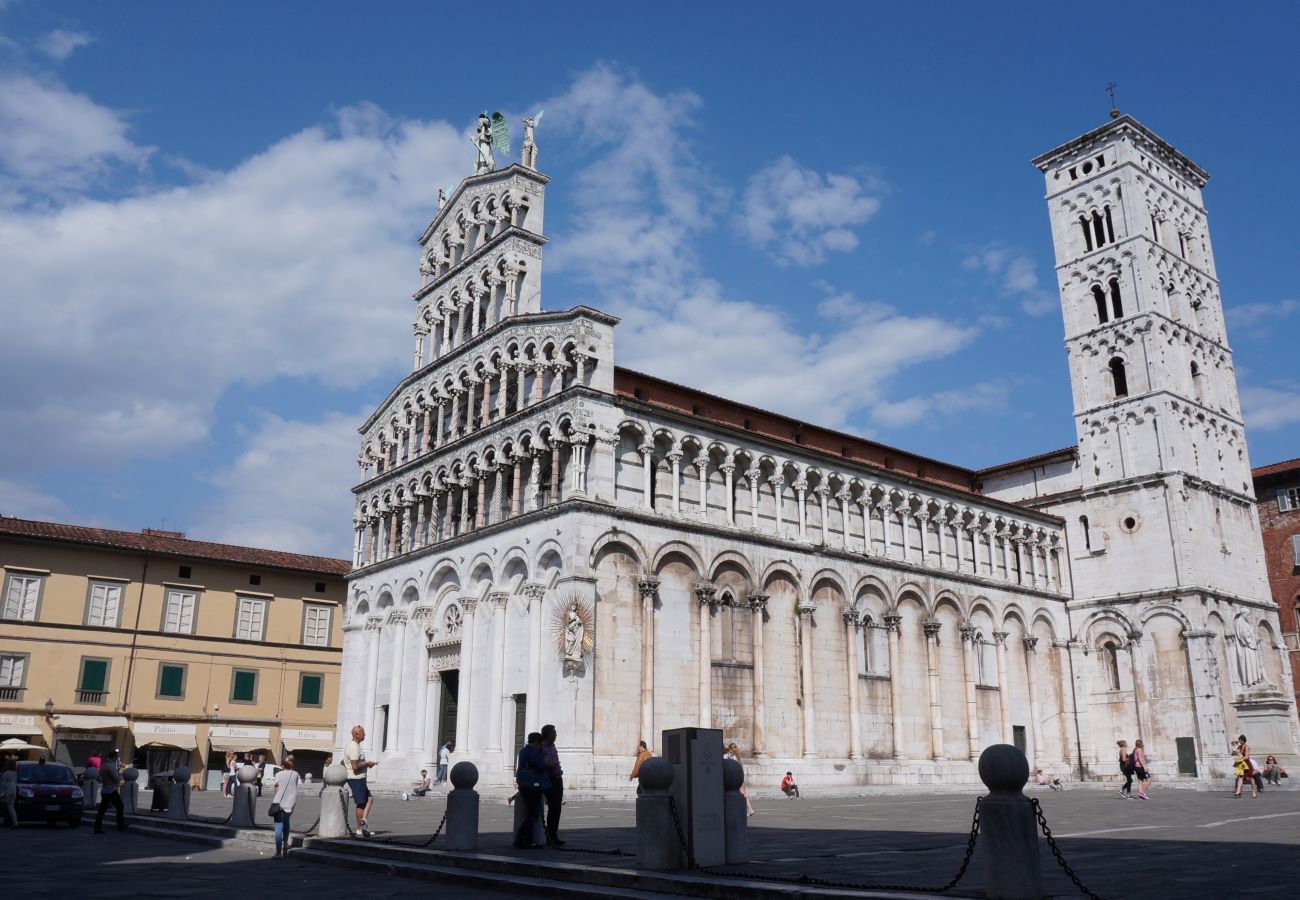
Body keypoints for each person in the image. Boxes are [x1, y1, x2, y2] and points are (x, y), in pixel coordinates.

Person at [514, 732, 548, 849]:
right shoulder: (532, 752)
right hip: (532, 785)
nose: (541, 747)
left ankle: (528, 840)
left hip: (524, 783)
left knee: (531, 812)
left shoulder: (523, 751)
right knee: (533, 813)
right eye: (540, 744)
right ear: (536, 742)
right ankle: (520, 838)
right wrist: (545, 760)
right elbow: (541, 765)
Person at [345, 724, 377, 836]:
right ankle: (359, 828)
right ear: (357, 734)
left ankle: (363, 819)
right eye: (363, 733)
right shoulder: (353, 746)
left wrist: (367, 765)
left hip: (360, 779)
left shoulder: (355, 746)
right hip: (356, 779)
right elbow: (355, 766)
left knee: (369, 799)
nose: (365, 734)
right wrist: (367, 764)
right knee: (361, 803)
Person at [270, 754, 300, 859]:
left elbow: (276, 789)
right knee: (286, 822)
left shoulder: (279, 775)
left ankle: (278, 853)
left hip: (279, 803)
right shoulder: (296, 774)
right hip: (291, 802)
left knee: (278, 827)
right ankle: (285, 844)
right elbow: (295, 786)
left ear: (283, 765)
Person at [540, 724, 564, 847]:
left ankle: (553, 834)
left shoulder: (552, 746)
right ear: (548, 734)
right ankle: (551, 835)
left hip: (557, 778)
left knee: (557, 808)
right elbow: (546, 764)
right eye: (554, 733)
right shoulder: (542, 748)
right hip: (550, 779)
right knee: (553, 807)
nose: (556, 735)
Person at [93, 749, 127, 833]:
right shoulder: (111, 767)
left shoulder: (104, 765)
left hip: (105, 789)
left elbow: (100, 777)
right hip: (112, 790)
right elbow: (116, 779)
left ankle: (97, 827)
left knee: (102, 810)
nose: (118, 758)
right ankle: (120, 825)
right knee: (120, 807)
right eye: (118, 756)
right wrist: (121, 775)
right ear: (114, 757)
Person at [725, 742, 754, 816]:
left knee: (740, 794)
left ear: (730, 749)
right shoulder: (738, 756)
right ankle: (749, 809)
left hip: (735, 778)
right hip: (741, 777)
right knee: (744, 794)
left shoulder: (731, 757)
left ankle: (749, 809)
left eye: (729, 749)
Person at [1234, 735, 1257, 799]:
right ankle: (1238, 791)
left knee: (1251, 778)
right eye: (1239, 740)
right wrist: (1234, 751)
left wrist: (1240, 759)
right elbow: (1234, 754)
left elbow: (1247, 757)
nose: (1240, 741)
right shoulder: (1239, 747)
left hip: (1247, 764)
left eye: (1241, 740)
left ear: (1243, 740)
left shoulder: (1247, 747)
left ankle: (1254, 792)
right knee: (1240, 777)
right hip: (1241, 764)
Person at [0, 759, 17, 828]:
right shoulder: (15, 773)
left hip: (6, 792)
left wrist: (1, 793)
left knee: (6, 806)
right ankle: (15, 823)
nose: (5, 765)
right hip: (13, 791)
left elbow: (2, 784)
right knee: (11, 808)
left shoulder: (5, 773)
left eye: (6, 764)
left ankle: (12, 822)